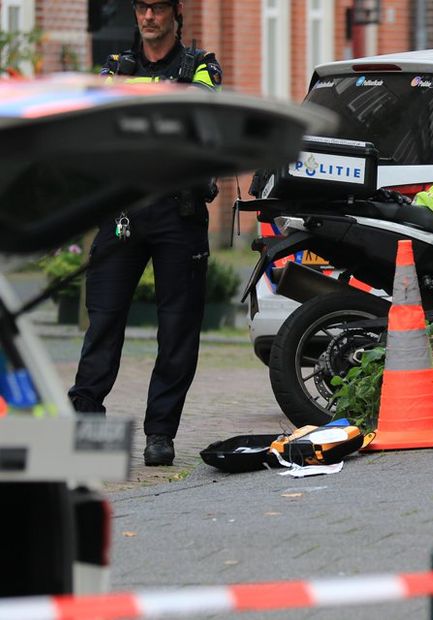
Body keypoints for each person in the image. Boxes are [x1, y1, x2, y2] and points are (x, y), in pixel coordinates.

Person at [68, 0, 223, 466]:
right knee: (103, 322)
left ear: (176, 13)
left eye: (157, 7)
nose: (148, 16)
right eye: (141, 7)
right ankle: (89, 430)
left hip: (179, 212)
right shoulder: (116, 68)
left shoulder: (201, 66)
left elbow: (196, 118)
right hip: (123, 213)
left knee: (177, 329)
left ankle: (160, 433)